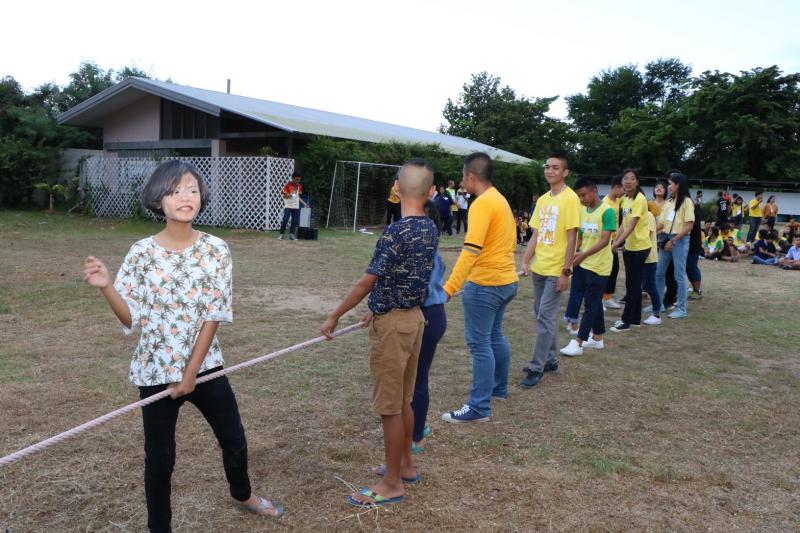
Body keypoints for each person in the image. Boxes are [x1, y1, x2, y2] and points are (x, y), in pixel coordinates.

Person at [83, 160, 283, 533]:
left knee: (234, 439)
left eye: (191, 189)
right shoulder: (141, 253)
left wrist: (191, 373)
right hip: (155, 369)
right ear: (158, 200)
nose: (185, 197)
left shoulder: (216, 249)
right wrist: (107, 287)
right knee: (160, 460)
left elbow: (214, 313)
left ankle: (242, 495)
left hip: (205, 367)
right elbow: (130, 318)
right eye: (174, 191)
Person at [321, 158, 437, 507]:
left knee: (389, 407)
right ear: (431, 192)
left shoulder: (396, 232)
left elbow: (367, 281)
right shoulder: (429, 228)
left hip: (394, 327)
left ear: (396, 188)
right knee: (402, 400)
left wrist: (335, 315)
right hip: (414, 319)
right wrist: (379, 305)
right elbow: (404, 275)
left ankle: (392, 484)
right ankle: (405, 466)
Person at [441, 152, 518, 422]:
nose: (462, 181)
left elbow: (471, 250)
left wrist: (449, 287)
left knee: (480, 344)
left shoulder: (482, 204)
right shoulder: (500, 199)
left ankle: (479, 407)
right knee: (494, 336)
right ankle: (498, 389)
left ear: (471, 176)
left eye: (463, 176)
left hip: (487, 285)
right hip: (506, 282)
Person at [520, 154, 580, 387]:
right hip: (540, 267)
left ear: (565, 172)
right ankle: (551, 360)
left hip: (557, 268)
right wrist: (526, 259)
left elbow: (572, 237)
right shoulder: (544, 199)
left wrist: (566, 271)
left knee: (544, 316)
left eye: (555, 168)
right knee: (542, 315)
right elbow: (536, 233)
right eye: (547, 167)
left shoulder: (570, 198)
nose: (550, 171)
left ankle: (537, 367)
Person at [559, 177, 616, 356]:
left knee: (591, 304)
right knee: (592, 301)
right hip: (582, 263)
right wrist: (574, 253)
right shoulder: (583, 211)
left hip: (599, 266)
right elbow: (581, 237)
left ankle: (579, 342)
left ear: (594, 191)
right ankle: (597, 338)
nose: (581, 199)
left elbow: (605, 240)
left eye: (583, 195)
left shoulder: (607, 211)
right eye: (579, 196)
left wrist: (583, 254)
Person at [408, 200, 448, 454]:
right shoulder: (423, 249)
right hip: (429, 314)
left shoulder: (426, 253)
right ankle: (414, 427)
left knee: (416, 378)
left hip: (428, 316)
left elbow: (418, 291)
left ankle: (416, 435)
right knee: (412, 377)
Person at [610, 169, 650, 332]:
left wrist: (616, 244)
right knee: (633, 284)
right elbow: (623, 224)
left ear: (637, 182)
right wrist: (615, 241)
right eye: (625, 178)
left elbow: (631, 226)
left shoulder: (640, 199)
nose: (628, 181)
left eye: (632, 178)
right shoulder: (625, 199)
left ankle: (626, 321)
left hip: (639, 247)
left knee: (632, 285)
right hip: (630, 247)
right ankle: (635, 319)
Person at [655, 172, 695, 319]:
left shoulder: (687, 202)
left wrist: (673, 241)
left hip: (679, 240)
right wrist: (650, 233)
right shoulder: (669, 202)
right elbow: (661, 223)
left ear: (678, 185)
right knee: (659, 273)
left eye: (670, 183)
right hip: (666, 239)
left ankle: (682, 309)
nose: (668, 186)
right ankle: (658, 304)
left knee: (679, 275)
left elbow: (689, 226)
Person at [602, 175, 625, 310]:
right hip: (607, 240)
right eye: (623, 189)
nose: (624, 192)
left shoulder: (617, 200)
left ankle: (607, 297)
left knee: (614, 268)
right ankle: (600, 298)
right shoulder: (605, 203)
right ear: (616, 187)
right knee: (606, 269)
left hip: (615, 240)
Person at [640, 211, 663, 325]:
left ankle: (656, 315)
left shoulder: (648, 216)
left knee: (650, 286)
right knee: (638, 286)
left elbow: (646, 236)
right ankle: (636, 310)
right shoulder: (635, 215)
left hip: (648, 257)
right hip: (639, 256)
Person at [278, 171, 308, 240]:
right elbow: (284, 196)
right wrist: (291, 194)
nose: (298, 181)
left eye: (299, 180)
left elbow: (298, 197)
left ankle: (291, 235)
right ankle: (281, 235)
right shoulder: (288, 185)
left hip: (296, 206)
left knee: (295, 221)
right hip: (288, 206)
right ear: (293, 178)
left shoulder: (300, 186)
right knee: (285, 220)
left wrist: (305, 204)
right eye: (296, 179)